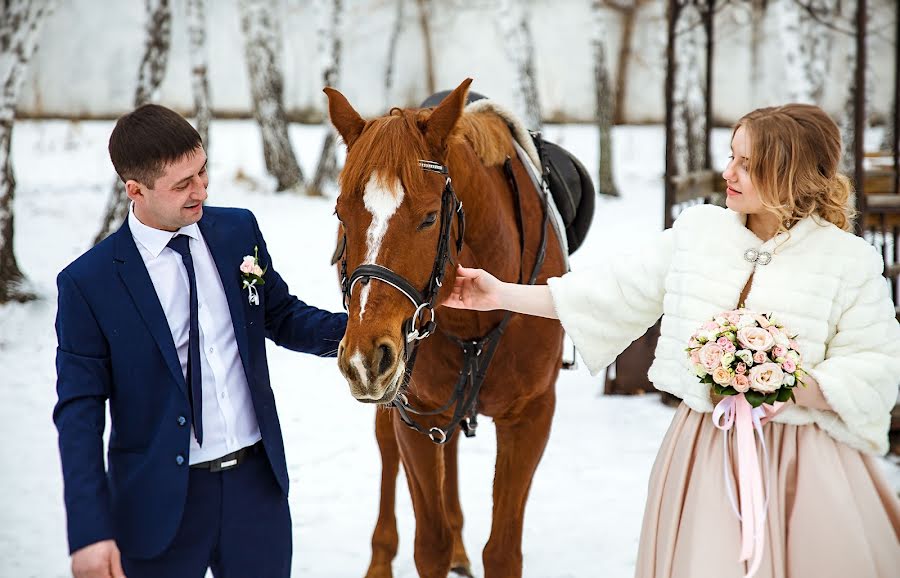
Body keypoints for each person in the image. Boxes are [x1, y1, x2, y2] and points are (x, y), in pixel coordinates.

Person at [445, 103, 900, 577]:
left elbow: (876, 366)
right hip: (704, 452)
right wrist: (497, 293)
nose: (728, 172)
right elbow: (606, 293)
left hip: (805, 464)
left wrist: (783, 382)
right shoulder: (698, 233)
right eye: (731, 157)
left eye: (748, 164)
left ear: (791, 174)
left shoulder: (848, 262)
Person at [54, 104, 347, 578]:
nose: (202, 189)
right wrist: (89, 530)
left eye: (203, 170)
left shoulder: (237, 231)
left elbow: (282, 315)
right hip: (157, 504)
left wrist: (368, 334)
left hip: (256, 489)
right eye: (182, 184)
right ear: (136, 190)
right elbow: (79, 414)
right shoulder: (89, 284)